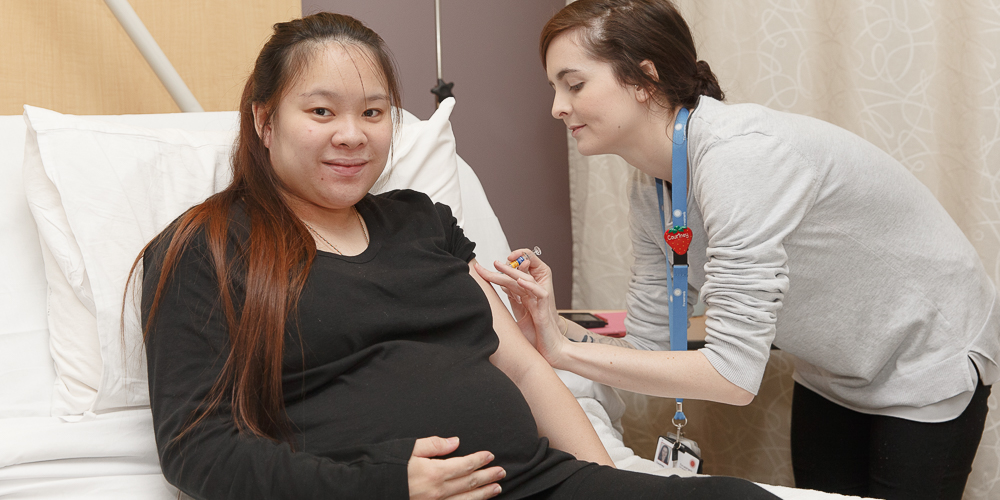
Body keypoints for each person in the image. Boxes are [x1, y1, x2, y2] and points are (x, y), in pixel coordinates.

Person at [135, 11, 777, 500]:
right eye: (322, 111)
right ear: (265, 121)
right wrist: (387, 486)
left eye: (375, 112)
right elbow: (198, 449)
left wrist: (601, 483)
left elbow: (524, 367)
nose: (352, 134)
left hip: (534, 481)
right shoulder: (205, 249)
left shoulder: (423, 222)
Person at [475, 1, 1000, 499]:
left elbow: (732, 377)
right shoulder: (651, 188)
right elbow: (651, 350)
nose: (556, 107)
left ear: (644, 78)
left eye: (574, 84)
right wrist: (548, 324)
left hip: (927, 354)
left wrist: (565, 354)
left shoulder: (739, 157)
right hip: (835, 366)